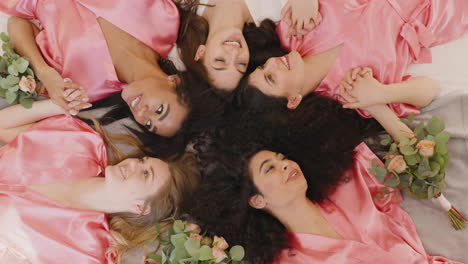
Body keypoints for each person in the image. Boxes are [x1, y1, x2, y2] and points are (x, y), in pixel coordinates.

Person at [184, 101, 461, 264]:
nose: (285, 165)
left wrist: (376, 103)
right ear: (257, 199)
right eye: (270, 169)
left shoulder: (349, 181)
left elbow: (408, 152)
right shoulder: (287, 259)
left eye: (283, 158)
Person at [0, 99, 200, 264]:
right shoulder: (79, 145)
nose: (133, 164)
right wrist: (56, 104)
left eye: (146, 174)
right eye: (141, 160)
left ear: (139, 207)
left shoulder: (85, 250)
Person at [237, 0, 468, 141]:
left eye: (264, 66)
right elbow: (430, 89)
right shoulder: (351, 93)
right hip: (441, 9)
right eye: (271, 77)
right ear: (293, 101)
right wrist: (383, 94)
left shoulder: (292, 30)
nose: (274, 62)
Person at [1, 0, 220, 138]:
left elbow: (17, 23)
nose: (142, 115)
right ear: (175, 81)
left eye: (149, 124)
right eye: (159, 110)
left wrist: (45, 73)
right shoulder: (165, 20)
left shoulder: (84, 87)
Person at [177, 0, 321, 92]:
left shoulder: (187, 3)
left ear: (201, 52)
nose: (234, 53)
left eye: (220, 61)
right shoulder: (276, 12)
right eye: (241, 63)